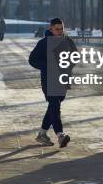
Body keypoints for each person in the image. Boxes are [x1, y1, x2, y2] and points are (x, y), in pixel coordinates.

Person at [28, 18, 77, 148]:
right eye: (57, 29)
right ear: (51, 29)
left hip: (63, 80)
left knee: (53, 106)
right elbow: (32, 60)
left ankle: (42, 134)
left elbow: (75, 56)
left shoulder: (67, 41)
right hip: (49, 80)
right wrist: (47, 65)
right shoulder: (43, 43)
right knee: (55, 106)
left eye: (61, 29)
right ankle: (60, 135)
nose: (60, 31)